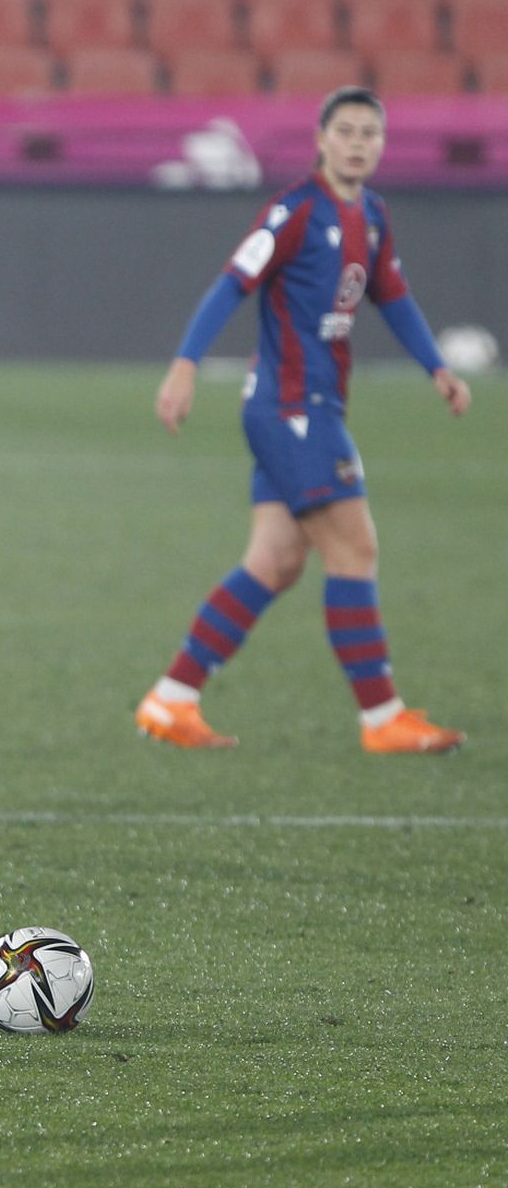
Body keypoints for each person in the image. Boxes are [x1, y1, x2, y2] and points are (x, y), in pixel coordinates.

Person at [135, 86, 470, 754]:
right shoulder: (295, 210)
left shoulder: (371, 215)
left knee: (276, 560)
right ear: (321, 139)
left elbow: (393, 296)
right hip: (290, 408)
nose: (358, 143)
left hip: (310, 406)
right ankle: (382, 718)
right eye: (345, 131)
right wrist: (185, 364)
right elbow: (233, 281)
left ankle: (171, 699)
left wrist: (437, 366)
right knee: (356, 548)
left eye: (370, 133)